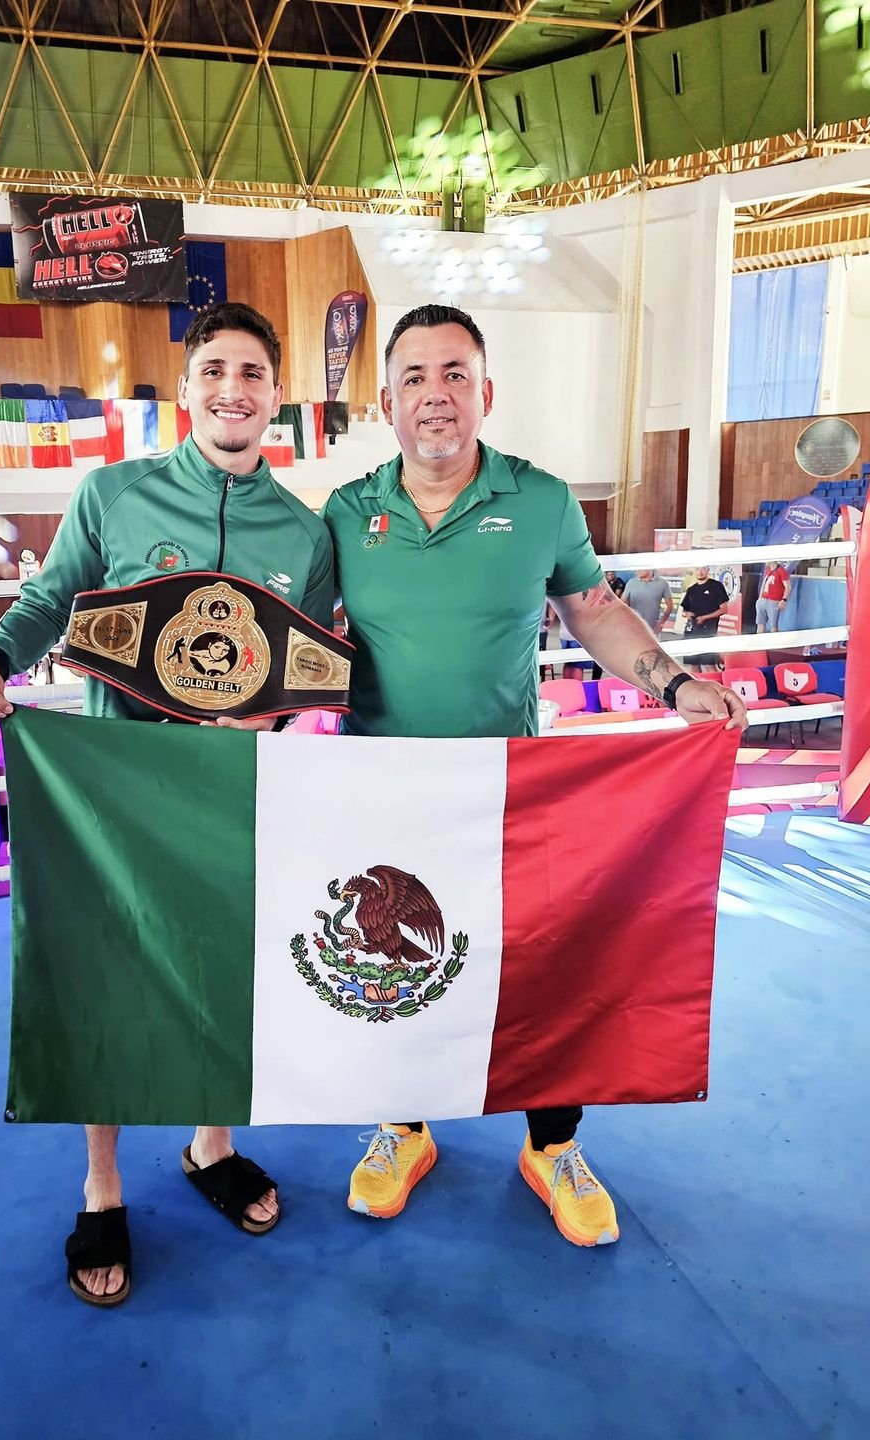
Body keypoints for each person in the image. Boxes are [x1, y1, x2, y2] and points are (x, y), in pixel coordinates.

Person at [320, 304, 747, 1248]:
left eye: (456, 374)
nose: (436, 395)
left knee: (544, 965)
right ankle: (403, 1128)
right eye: (416, 377)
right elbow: (301, 637)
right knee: (393, 961)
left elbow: (593, 609)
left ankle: (553, 1145)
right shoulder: (347, 512)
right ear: (386, 401)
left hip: (513, 790)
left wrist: (676, 684)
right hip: (384, 792)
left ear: (488, 392)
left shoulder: (543, 500)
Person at [0, 302, 334, 1307]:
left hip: (235, 792)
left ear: (276, 395)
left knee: (225, 968)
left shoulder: (305, 530)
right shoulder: (113, 492)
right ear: (187, 386)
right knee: (109, 978)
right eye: (214, 370)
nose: (232, 390)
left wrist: (269, 718)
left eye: (252, 373)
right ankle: (102, 1182)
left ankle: (212, 1144)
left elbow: (308, 662)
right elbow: (50, 600)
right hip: (118, 787)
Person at [681, 565, 730, 671]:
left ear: (708, 570)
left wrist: (705, 617)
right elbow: (684, 611)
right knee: (693, 664)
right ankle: (696, 682)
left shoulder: (716, 586)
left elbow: (724, 609)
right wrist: (687, 614)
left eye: (703, 569)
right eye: (697, 569)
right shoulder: (691, 590)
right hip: (691, 632)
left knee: (709, 664)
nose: (700, 572)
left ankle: (716, 682)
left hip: (708, 632)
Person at [622, 569, 673, 633]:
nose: (637, 571)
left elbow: (670, 606)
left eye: (640, 568)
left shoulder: (663, 583)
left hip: (652, 628)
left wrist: (661, 622)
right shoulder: (631, 582)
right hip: (632, 627)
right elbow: (622, 603)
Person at [756, 561, 790, 633]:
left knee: (773, 627)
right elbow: (764, 584)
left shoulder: (781, 571)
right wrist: (760, 598)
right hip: (763, 600)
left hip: (774, 601)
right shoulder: (767, 570)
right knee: (760, 624)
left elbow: (788, 586)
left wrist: (784, 600)